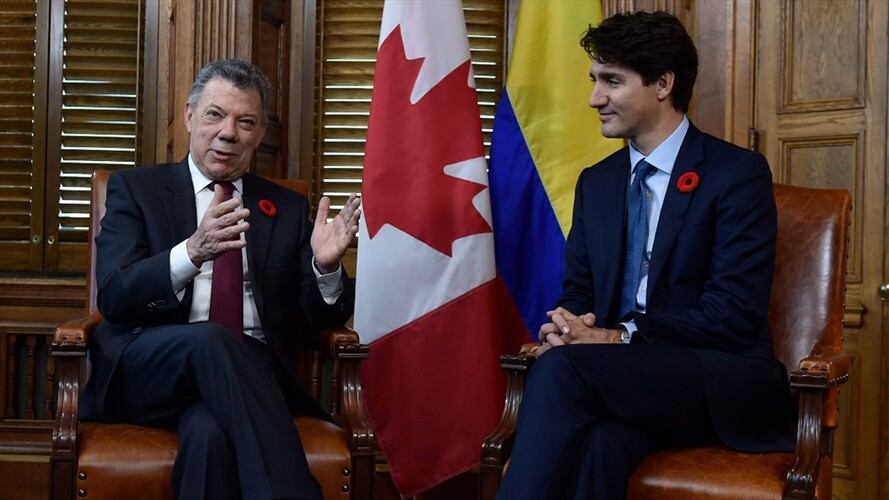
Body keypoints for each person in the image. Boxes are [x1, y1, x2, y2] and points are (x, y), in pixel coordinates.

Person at [496, 11, 794, 500]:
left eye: (611, 81)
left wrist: (619, 338)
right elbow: (579, 290)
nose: (595, 98)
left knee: (560, 371)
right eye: (595, 80)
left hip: (714, 378)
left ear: (662, 83)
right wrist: (569, 325)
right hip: (626, 385)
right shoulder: (598, 183)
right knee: (598, 446)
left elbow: (732, 314)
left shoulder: (736, 174)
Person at [79, 59, 361, 500]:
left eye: (245, 121)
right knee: (210, 340)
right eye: (215, 114)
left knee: (208, 433)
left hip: (245, 386)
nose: (228, 132)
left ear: (260, 134)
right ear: (190, 116)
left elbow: (320, 316)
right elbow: (114, 296)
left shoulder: (283, 209)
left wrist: (324, 267)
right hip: (151, 373)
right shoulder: (137, 191)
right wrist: (190, 253)